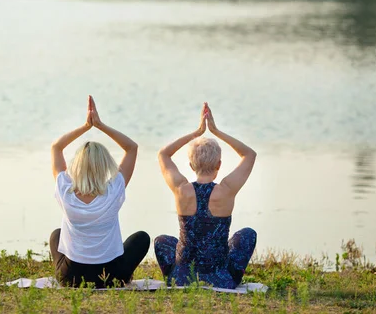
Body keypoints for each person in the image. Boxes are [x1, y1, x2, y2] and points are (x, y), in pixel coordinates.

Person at [49, 96, 150, 288]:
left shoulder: (65, 191)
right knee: (141, 238)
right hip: (111, 275)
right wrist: (100, 125)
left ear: (76, 167)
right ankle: (125, 278)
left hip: (71, 276)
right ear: (105, 166)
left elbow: (56, 147)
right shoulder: (113, 191)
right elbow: (132, 148)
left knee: (56, 234)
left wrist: (85, 126)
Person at [154, 103, 257, 289]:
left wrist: (197, 132)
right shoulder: (226, 190)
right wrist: (216, 131)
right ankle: (232, 278)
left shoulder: (181, 189)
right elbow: (249, 154)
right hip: (220, 277)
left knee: (162, 240)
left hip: (182, 277)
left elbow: (163, 154)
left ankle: (173, 277)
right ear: (219, 164)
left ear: (191, 166)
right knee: (247, 235)